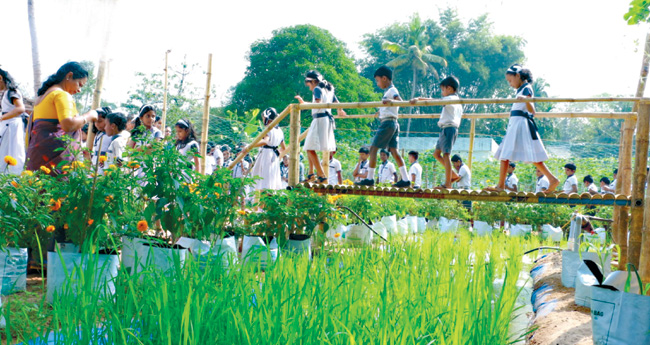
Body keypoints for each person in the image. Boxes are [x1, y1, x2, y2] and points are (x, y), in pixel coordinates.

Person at [486, 65, 559, 193]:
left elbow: (532, 110)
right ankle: (552, 179)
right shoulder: (521, 89)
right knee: (510, 155)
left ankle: (501, 186)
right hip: (516, 124)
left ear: (518, 76)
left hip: (520, 124)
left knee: (506, 154)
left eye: (510, 80)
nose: (510, 84)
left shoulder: (526, 88)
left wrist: (526, 100)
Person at [26, 62, 99, 173]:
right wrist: (89, 115)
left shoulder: (41, 97)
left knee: (37, 187)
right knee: (55, 189)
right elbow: (68, 125)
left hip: (37, 156)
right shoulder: (61, 95)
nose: (79, 90)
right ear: (69, 76)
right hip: (54, 160)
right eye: (79, 84)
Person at [356, 66, 410, 187]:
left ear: (384, 78)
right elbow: (389, 107)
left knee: (373, 149)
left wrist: (393, 102)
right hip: (393, 122)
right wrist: (380, 111)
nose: (377, 83)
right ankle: (406, 179)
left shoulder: (391, 90)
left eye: (378, 80)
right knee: (394, 151)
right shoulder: (388, 92)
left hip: (387, 123)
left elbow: (398, 100)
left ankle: (370, 178)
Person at [295, 70, 346, 183]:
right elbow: (336, 102)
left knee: (309, 147)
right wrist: (340, 110)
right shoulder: (328, 89)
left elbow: (317, 104)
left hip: (319, 119)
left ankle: (320, 174)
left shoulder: (317, 89)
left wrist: (304, 104)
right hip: (326, 119)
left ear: (313, 81)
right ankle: (311, 173)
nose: (307, 85)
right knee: (310, 146)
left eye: (307, 82)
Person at [411, 76, 463, 188]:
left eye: (443, 90)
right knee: (436, 154)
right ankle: (453, 175)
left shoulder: (451, 98)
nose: (442, 92)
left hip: (449, 128)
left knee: (446, 155)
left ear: (449, 89)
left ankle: (448, 184)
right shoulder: (455, 100)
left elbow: (435, 102)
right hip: (445, 128)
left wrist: (420, 99)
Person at [249, 108, 286, 191]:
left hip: (266, 155)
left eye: (263, 118)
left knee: (263, 182)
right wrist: (276, 153)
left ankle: (261, 203)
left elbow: (265, 141)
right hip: (274, 157)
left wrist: (250, 146)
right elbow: (283, 148)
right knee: (271, 182)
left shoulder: (269, 129)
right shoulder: (280, 131)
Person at [0, 68, 26, 174]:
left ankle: (12, 181)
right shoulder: (5, 94)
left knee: (13, 152)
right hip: (7, 124)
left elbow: (20, 108)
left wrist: (2, 118)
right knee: (5, 153)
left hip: (12, 126)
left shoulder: (12, 92)